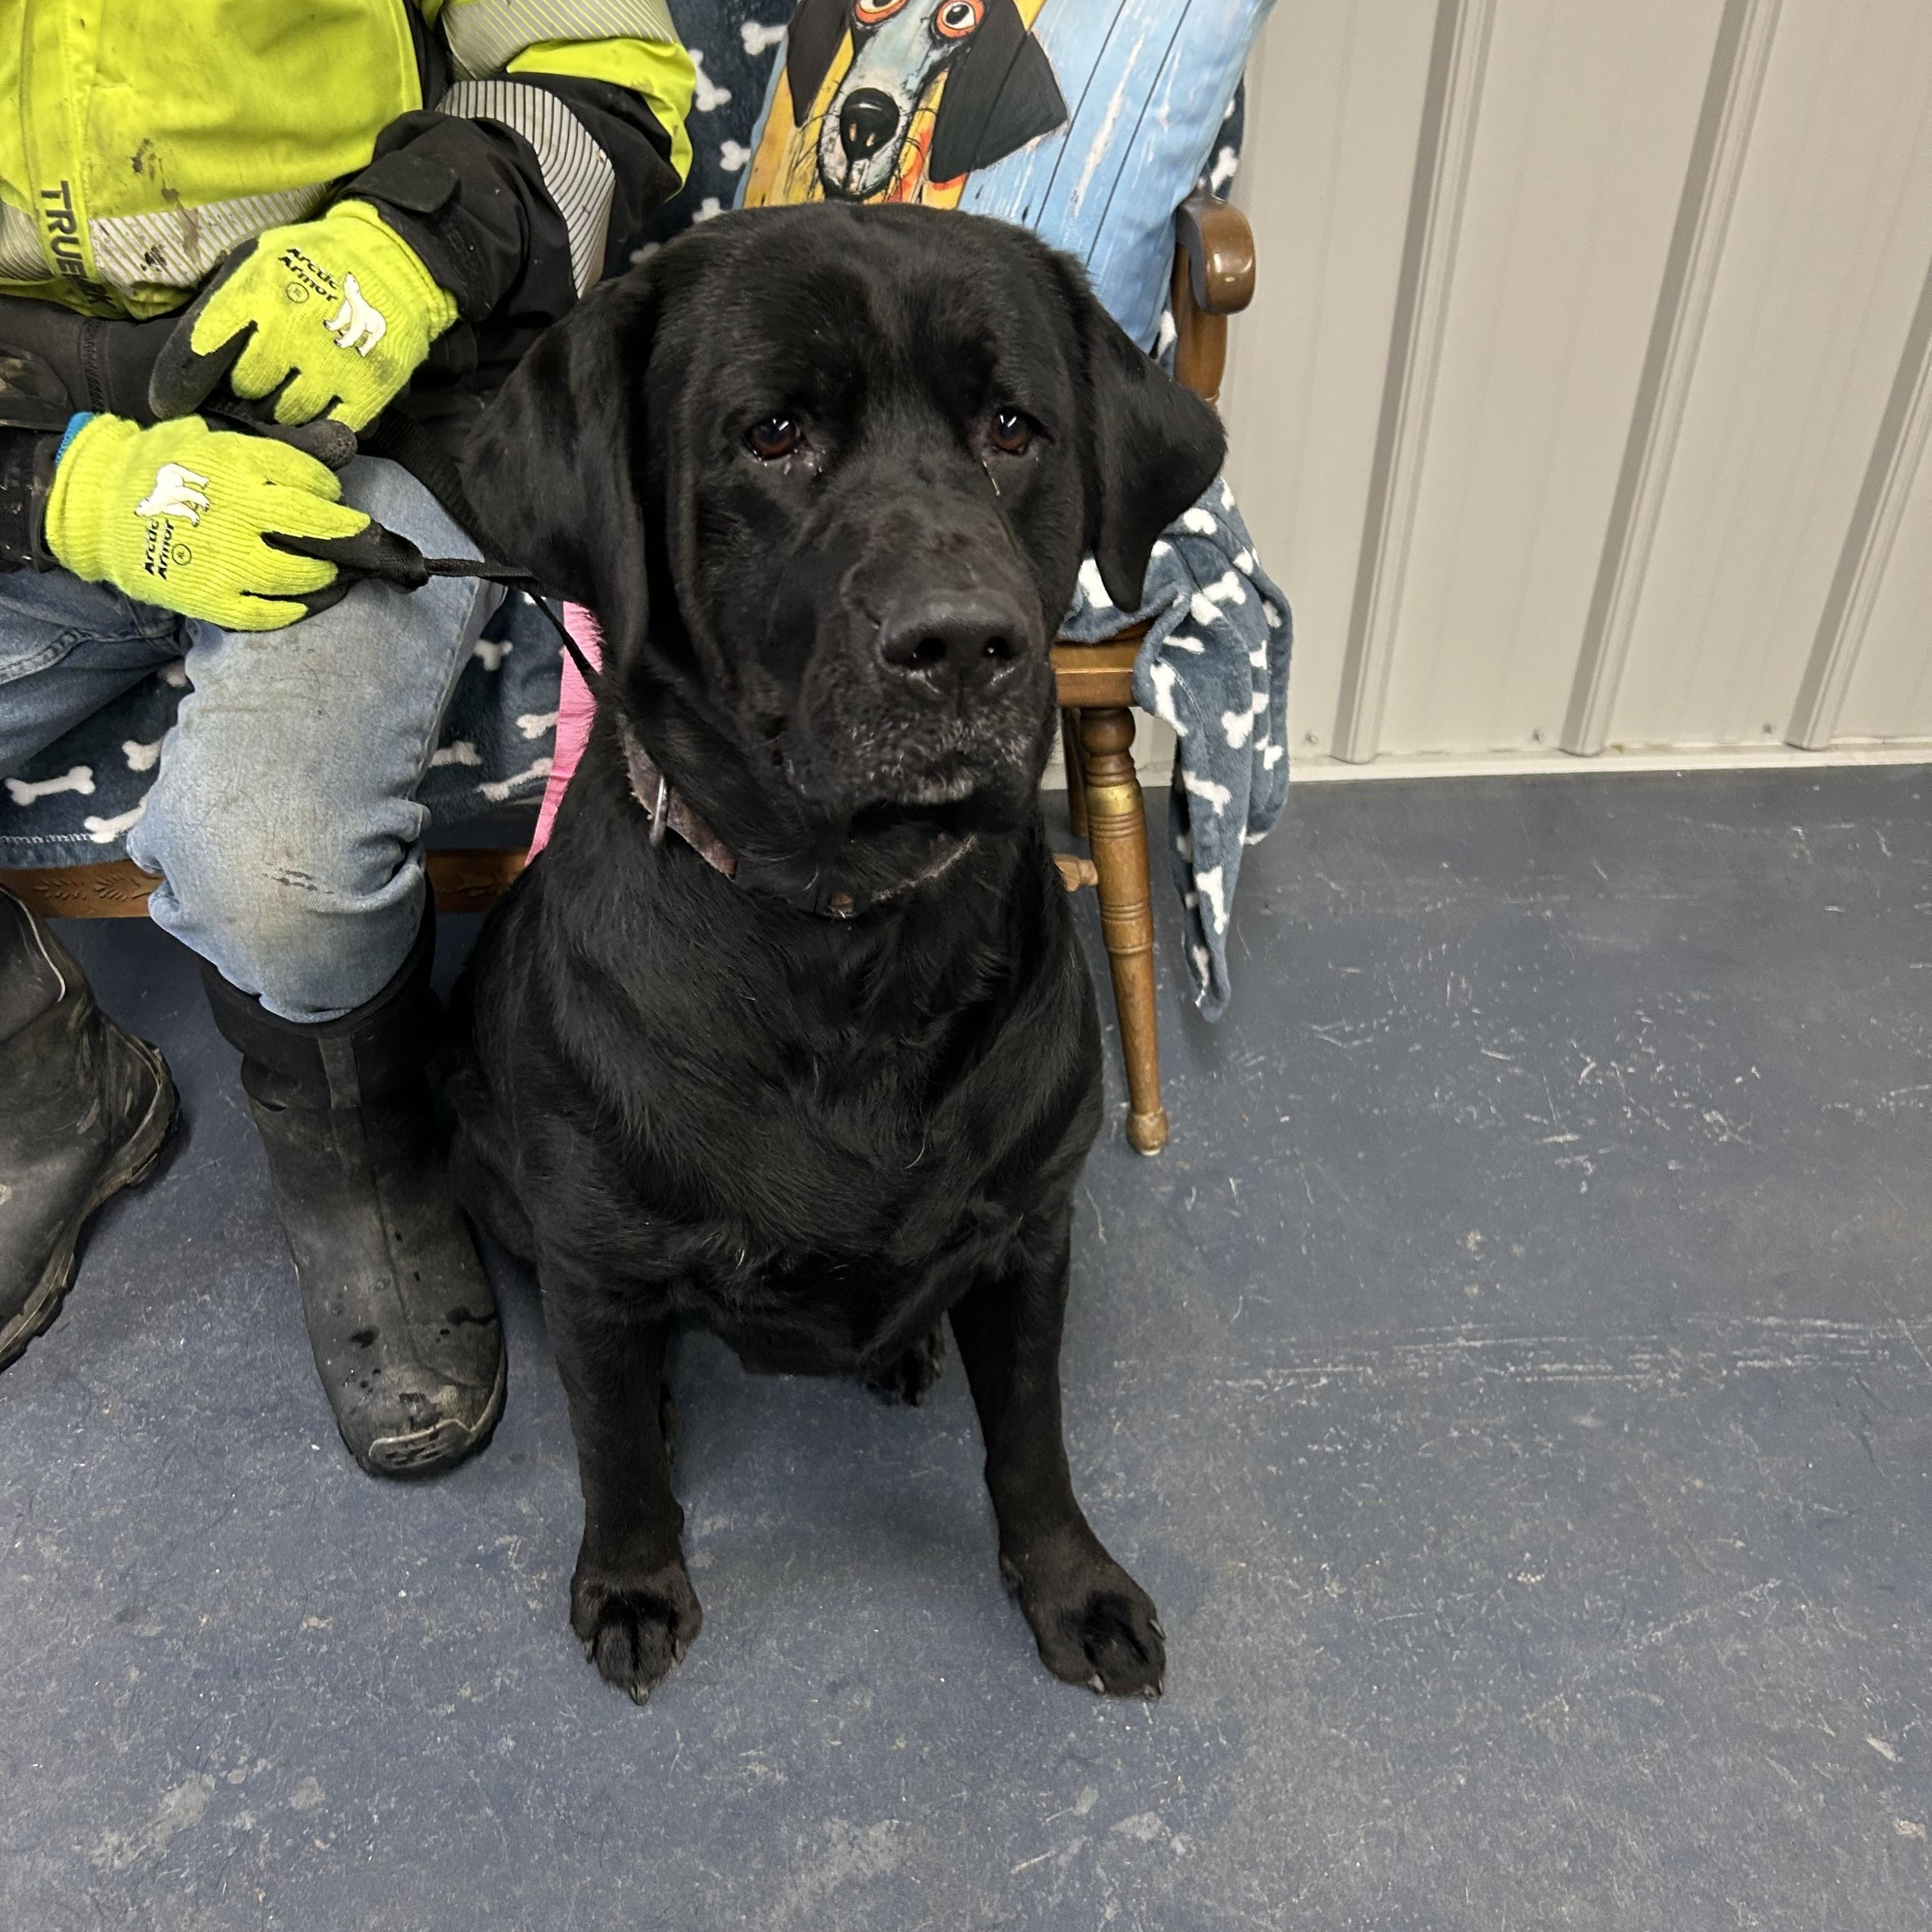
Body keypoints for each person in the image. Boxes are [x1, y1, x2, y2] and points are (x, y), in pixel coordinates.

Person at [0, 3, 694, 1477]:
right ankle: (46, 1085)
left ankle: (370, 1168)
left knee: (277, 867)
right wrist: (50, 488)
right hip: (29, 444)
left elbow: (611, 85)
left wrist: (416, 241)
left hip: (359, 395)